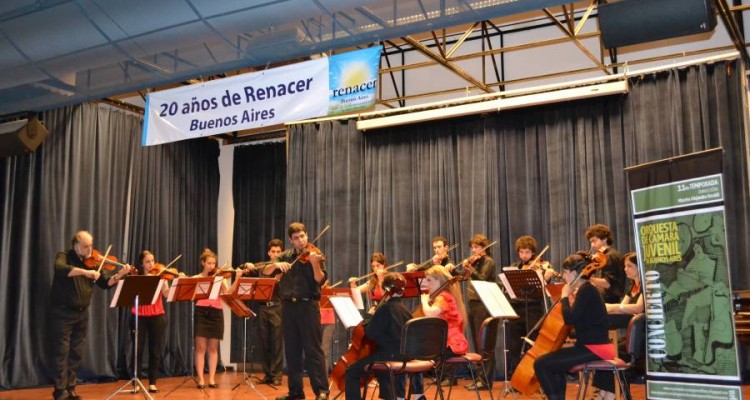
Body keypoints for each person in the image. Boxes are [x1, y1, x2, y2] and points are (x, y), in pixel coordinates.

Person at [49, 230, 133, 400]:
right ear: (76, 246)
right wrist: (86, 272)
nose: (90, 250)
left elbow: (106, 283)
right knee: (61, 352)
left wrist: (121, 274)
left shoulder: (93, 263)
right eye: (86, 246)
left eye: (91, 246)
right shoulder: (64, 256)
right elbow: (60, 269)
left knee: (76, 352)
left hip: (81, 314)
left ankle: (70, 388)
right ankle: (59, 391)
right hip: (63, 313)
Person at [533, 253, 615, 400]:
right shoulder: (586, 290)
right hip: (591, 345)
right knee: (553, 365)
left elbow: (570, 318)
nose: (563, 276)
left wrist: (564, 297)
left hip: (595, 348)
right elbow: (580, 323)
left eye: (565, 272)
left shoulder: (586, 290)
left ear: (574, 273)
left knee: (541, 364)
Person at [264, 222, 329, 400]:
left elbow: (320, 280)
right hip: (288, 307)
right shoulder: (285, 256)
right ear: (291, 240)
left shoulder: (315, 255)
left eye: (302, 236)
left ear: (307, 235)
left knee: (313, 351)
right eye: (296, 238)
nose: (300, 241)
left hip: (308, 306)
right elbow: (266, 270)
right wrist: (277, 265)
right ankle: (295, 392)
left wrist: (315, 264)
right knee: (292, 351)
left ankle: (322, 391)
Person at [344, 273, 412, 400]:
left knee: (351, 372)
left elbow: (371, 334)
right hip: (404, 355)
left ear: (385, 289)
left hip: (388, 356)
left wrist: (369, 318)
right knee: (382, 371)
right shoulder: (405, 310)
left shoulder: (385, 308)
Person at [594, 252, 644, 400]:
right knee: (605, 351)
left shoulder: (645, 286)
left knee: (612, 352)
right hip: (633, 336)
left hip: (642, 338)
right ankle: (604, 391)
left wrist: (612, 306)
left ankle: (611, 394)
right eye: (625, 266)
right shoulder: (632, 287)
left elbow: (638, 308)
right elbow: (623, 307)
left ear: (639, 267)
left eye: (629, 266)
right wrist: (611, 308)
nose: (625, 269)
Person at [131, 250, 182, 394]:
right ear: (141, 263)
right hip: (138, 315)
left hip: (157, 315)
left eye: (152, 260)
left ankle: (153, 382)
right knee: (138, 350)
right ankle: (136, 381)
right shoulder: (136, 276)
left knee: (155, 351)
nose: (151, 264)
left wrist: (175, 282)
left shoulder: (161, 277)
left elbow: (167, 295)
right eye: (147, 261)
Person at [505, 235, 555, 378]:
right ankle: (516, 376)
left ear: (533, 253)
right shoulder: (515, 267)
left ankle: (533, 376)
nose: (524, 255)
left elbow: (546, 289)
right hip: (516, 309)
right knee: (513, 345)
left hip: (533, 308)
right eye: (521, 252)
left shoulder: (541, 265)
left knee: (532, 344)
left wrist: (545, 276)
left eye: (527, 252)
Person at [193, 248, 243, 389]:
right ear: (203, 262)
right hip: (201, 312)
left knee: (213, 348)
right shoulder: (197, 278)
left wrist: (237, 278)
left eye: (214, 263)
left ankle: (212, 379)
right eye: (209, 263)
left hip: (216, 313)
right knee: (201, 348)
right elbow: (187, 291)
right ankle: (201, 379)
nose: (212, 266)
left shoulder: (219, 278)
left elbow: (228, 293)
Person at [243, 239, 284, 386]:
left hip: (278, 307)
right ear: (269, 252)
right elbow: (246, 268)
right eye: (273, 251)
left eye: (278, 252)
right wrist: (247, 265)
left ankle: (278, 375)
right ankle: (268, 374)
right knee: (264, 342)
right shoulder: (262, 266)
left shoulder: (283, 267)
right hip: (262, 308)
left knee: (277, 343)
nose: (275, 254)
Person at [458, 234, 495, 390]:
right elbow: (462, 277)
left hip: (484, 305)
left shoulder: (488, 262)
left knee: (485, 344)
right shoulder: (475, 262)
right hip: (472, 304)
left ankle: (486, 381)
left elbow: (483, 278)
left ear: (484, 248)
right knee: (476, 342)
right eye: (472, 247)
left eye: (476, 247)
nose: (473, 250)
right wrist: (463, 270)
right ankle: (479, 377)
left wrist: (471, 269)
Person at [419, 265, 469, 357]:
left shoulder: (444, 297)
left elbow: (430, 315)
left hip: (450, 345)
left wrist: (424, 302)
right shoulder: (447, 295)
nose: (425, 284)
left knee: (418, 352)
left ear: (439, 280)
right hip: (455, 344)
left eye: (429, 280)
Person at [584, 224, 625, 304]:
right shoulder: (604, 256)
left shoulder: (609, 256)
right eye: (591, 242)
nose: (592, 245)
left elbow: (607, 283)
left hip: (610, 301)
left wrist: (587, 278)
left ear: (604, 239)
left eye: (594, 241)